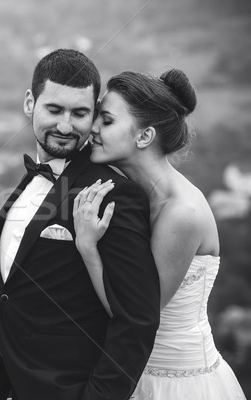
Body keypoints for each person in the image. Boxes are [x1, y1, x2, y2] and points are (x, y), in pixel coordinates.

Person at [0, 49, 161, 400]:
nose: (66, 126)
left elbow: (137, 322)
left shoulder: (113, 194)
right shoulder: (27, 182)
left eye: (80, 113)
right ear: (30, 103)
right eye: (54, 109)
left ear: (93, 113)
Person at [73, 69, 247, 399]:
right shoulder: (138, 197)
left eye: (106, 120)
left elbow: (135, 315)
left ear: (144, 136)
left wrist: (87, 247)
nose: (92, 128)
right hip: (134, 375)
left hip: (179, 383)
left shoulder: (182, 214)